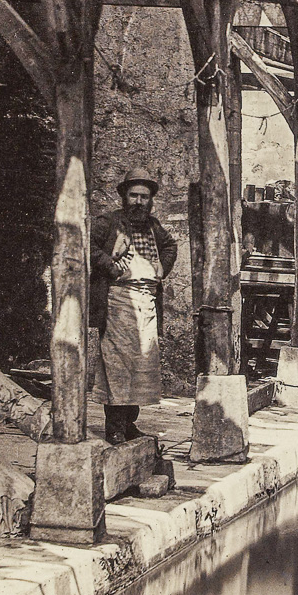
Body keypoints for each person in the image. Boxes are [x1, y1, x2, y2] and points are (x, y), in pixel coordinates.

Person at [90, 168, 178, 444]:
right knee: (117, 367)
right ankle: (114, 427)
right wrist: (112, 268)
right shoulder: (109, 222)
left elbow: (170, 247)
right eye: (133, 195)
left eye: (144, 196)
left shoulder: (153, 227)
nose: (139, 201)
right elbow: (87, 246)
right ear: (124, 196)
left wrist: (161, 268)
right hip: (117, 301)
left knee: (141, 365)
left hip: (146, 303)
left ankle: (129, 425)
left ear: (150, 200)